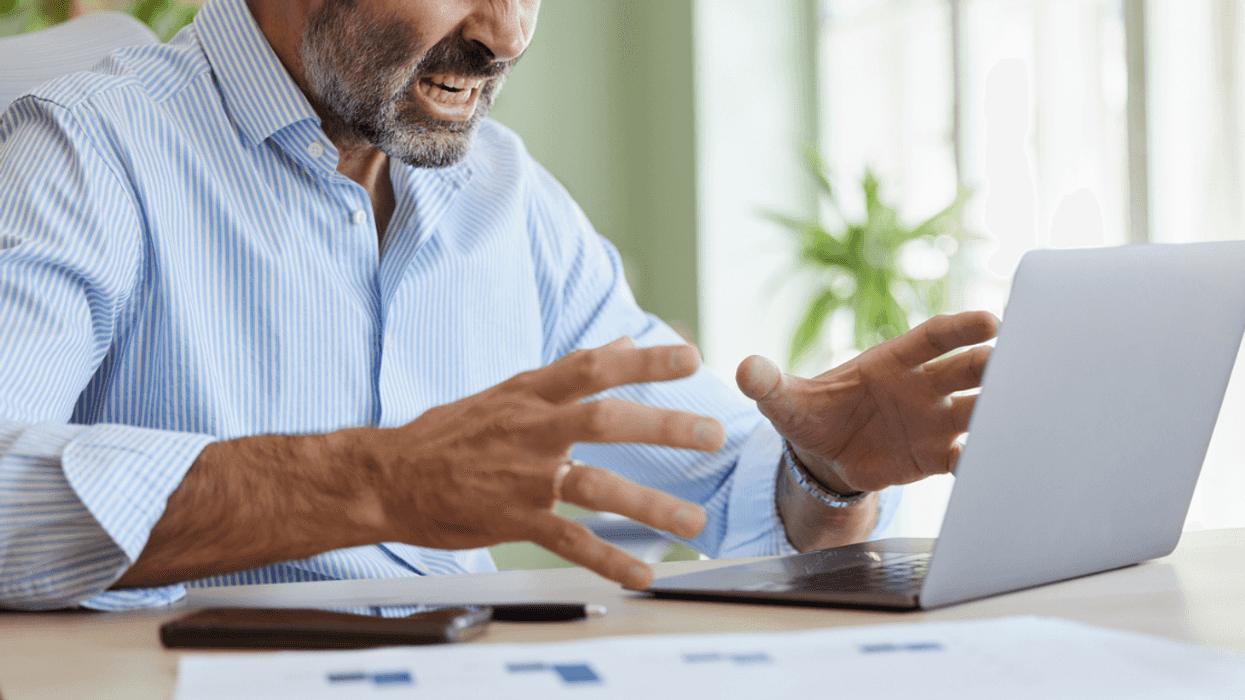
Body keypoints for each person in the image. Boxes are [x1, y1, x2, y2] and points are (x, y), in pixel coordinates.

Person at [0, 0, 996, 612]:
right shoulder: (87, 150)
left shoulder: (506, 197)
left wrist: (825, 471)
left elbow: (724, 494)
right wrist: (375, 482)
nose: (505, 31)